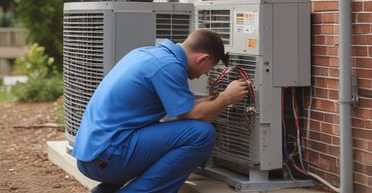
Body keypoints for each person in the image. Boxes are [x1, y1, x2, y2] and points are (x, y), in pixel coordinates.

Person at [72, 29, 250, 193]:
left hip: (91, 154)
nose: (203, 75)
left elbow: (187, 107)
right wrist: (227, 97)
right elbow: (193, 114)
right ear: (202, 59)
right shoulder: (168, 66)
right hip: (107, 158)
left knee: (160, 130)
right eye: (208, 69)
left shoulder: (148, 54)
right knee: (201, 134)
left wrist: (213, 99)